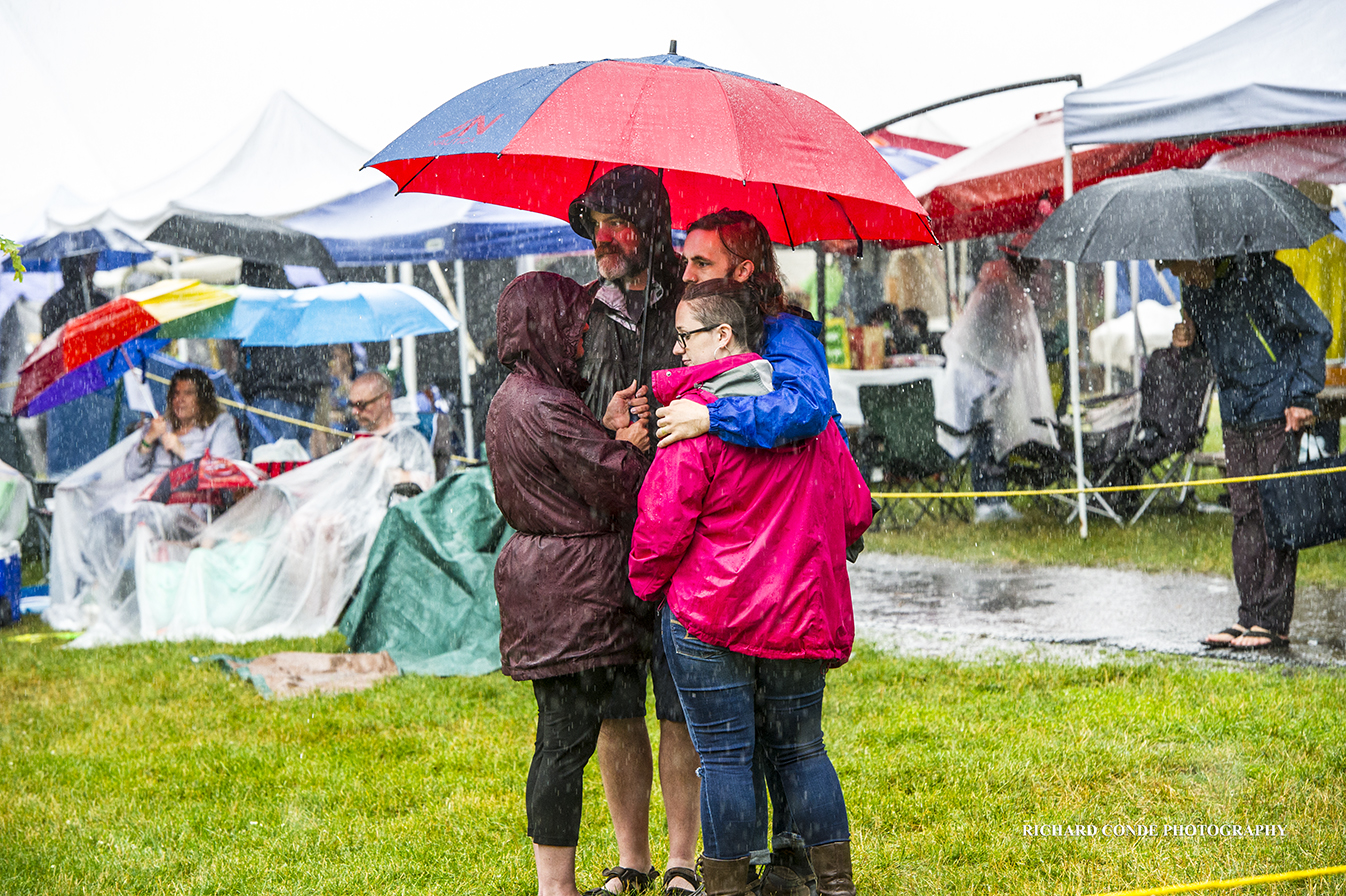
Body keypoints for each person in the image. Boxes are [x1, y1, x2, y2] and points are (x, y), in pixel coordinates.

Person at [630, 278, 873, 896]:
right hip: (796, 615)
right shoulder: (807, 413)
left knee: (725, 759)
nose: (678, 352)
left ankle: (728, 887)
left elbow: (659, 532)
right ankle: (836, 885)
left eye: (685, 337)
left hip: (709, 620)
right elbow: (855, 508)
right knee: (802, 751)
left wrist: (648, 587)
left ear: (722, 335)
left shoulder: (694, 419)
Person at [664, 208, 844, 895]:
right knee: (779, 746)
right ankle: (800, 872)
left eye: (701, 263)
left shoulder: (788, 332)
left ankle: (796, 867)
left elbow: (806, 409)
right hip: (761, 574)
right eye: (685, 261)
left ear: (744, 269)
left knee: (768, 748)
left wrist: (712, 414)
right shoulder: (718, 328)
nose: (687, 274)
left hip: (781, 570)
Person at [484, 271, 652, 896]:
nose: (582, 333)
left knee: (563, 737)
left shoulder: (513, 399)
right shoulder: (548, 406)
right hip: (576, 593)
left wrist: (602, 429)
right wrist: (630, 445)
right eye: (574, 321)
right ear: (544, 325)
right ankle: (556, 888)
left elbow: (564, 477)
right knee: (563, 744)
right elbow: (612, 483)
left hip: (547, 586)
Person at [567, 166, 703, 896]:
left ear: (652, 227)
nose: (602, 239)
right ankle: (632, 861)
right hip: (609, 535)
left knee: (681, 702)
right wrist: (606, 430)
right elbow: (563, 421)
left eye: (617, 222)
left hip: (686, 536)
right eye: (594, 224)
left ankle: (682, 861)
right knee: (618, 704)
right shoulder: (584, 312)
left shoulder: (697, 303)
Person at [1158, 253, 1332, 650]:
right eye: (1173, 271)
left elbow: (1317, 328)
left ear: (1204, 253)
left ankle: (1272, 621)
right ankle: (1250, 615)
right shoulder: (1197, 290)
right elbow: (1216, 350)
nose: (1181, 276)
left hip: (1276, 409)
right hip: (1235, 413)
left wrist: (1302, 394)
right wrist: (1190, 341)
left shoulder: (1264, 275)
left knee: (1276, 513)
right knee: (1245, 514)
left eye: (1181, 266)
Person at [934, 240, 1057, 523]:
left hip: (991, 378)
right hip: (975, 378)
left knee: (997, 436)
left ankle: (997, 497)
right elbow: (979, 336)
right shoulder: (995, 287)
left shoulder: (1009, 287)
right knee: (984, 436)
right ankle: (985, 501)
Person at [126, 368, 242, 482]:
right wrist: (149, 438)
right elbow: (131, 472)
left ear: (202, 398)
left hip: (193, 496)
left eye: (188, 393)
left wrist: (181, 450)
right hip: (148, 491)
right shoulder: (161, 425)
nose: (180, 399)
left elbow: (221, 471)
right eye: (176, 393)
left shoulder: (220, 424)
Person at [346, 371, 434, 493]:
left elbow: (426, 486)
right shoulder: (353, 442)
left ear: (385, 400)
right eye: (351, 405)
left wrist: (381, 465)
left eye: (361, 405)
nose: (354, 412)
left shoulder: (411, 441)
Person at [41, 251, 111, 337]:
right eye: (88, 260)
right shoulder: (53, 307)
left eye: (94, 259)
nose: (93, 266)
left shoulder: (103, 302)